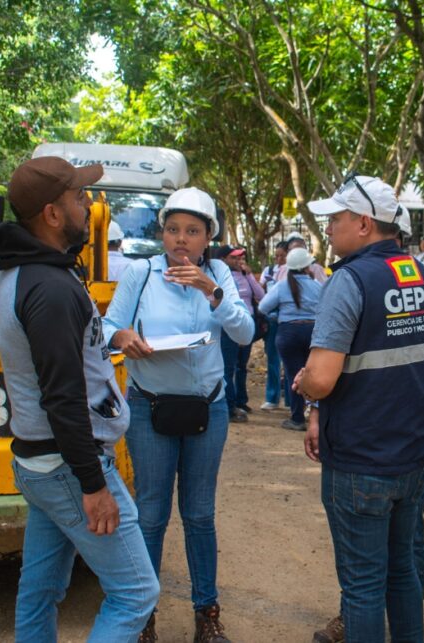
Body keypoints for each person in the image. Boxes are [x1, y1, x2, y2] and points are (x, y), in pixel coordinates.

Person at [295, 174, 424, 643]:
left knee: (362, 587)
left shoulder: (349, 280)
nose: (329, 229)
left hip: (362, 458)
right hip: (414, 453)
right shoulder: (418, 274)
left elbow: (321, 378)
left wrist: (306, 387)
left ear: (363, 223)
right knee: (403, 574)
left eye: (336, 219)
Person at [0, 156, 158, 642]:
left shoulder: (25, 274)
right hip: (68, 466)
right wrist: (93, 484)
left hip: (39, 462)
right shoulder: (49, 288)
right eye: (79, 198)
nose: (89, 206)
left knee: (40, 591)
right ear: (52, 214)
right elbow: (62, 398)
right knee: (135, 593)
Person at [104, 187, 253, 643]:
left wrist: (212, 292)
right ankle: (142, 617)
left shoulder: (221, 274)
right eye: (173, 230)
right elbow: (107, 328)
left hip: (208, 407)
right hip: (150, 408)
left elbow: (245, 332)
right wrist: (123, 337)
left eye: (192, 231)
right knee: (150, 515)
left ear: (209, 235)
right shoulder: (140, 273)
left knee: (199, 514)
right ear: (162, 233)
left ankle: (206, 615)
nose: (181, 240)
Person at [258, 246, 322, 431]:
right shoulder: (317, 286)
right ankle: (318, 413)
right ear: (306, 267)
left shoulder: (282, 286)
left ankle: (297, 418)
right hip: (313, 333)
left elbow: (262, 307)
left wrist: (276, 317)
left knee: (294, 375)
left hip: (288, 334)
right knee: (313, 374)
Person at [215, 245, 264, 422]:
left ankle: (241, 401)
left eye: (239, 258)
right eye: (233, 258)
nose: (238, 261)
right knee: (228, 367)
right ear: (223, 260)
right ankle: (229, 407)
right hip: (229, 326)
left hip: (247, 323)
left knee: (242, 366)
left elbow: (260, 294)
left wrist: (249, 275)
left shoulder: (244, 276)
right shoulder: (221, 278)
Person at [260, 242, 289, 411]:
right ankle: (272, 397)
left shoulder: (293, 272)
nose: (278, 259)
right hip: (271, 319)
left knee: (290, 362)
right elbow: (260, 289)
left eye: (282, 256)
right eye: (276, 256)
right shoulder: (269, 271)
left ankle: (291, 401)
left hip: (287, 319)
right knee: (272, 359)